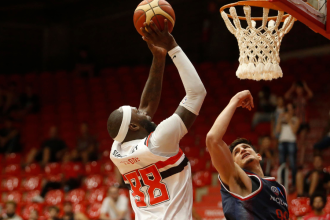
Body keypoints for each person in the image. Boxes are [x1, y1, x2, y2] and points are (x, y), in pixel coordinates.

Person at [107, 20, 206, 220]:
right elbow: (196, 94)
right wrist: (172, 47)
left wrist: (158, 58)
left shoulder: (116, 151)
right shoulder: (158, 142)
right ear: (134, 126)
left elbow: (145, 110)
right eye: (136, 111)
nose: (141, 109)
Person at [206, 90, 289, 219]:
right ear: (234, 163)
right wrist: (235, 100)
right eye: (237, 152)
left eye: (246, 147)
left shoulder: (280, 189)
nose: (242, 150)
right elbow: (213, 139)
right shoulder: (240, 180)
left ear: (258, 156)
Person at [285, 80, 313, 164]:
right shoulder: (294, 99)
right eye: (297, 88)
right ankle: (295, 159)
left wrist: (305, 87)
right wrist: (292, 88)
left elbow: (311, 95)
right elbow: (286, 96)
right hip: (295, 122)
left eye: (300, 88)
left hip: (304, 122)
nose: (299, 90)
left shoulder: (305, 98)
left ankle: (301, 161)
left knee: (302, 141)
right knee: (295, 141)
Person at [276, 103, 300, 191]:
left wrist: (289, 119)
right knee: (282, 163)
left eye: (290, 109)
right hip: (282, 142)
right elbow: (277, 131)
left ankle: (293, 183)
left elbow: (294, 131)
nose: (289, 111)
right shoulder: (282, 119)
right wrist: (279, 119)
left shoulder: (296, 119)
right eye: (287, 109)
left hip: (291, 142)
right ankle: (282, 183)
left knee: (293, 163)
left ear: (293, 110)